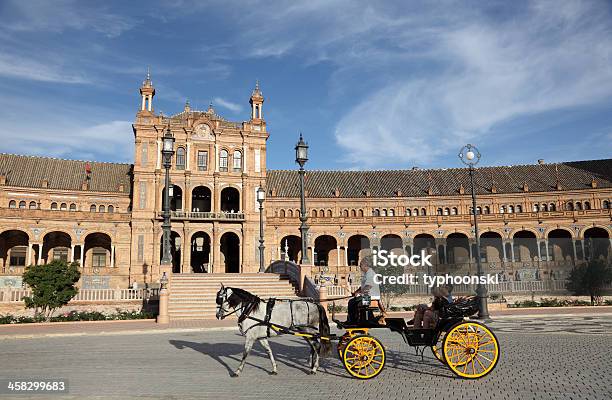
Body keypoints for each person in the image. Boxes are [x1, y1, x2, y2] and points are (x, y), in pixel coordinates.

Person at [346, 255, 380, 324]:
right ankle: (356, 319)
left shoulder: (370, 274)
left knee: (351, 302)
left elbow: (368, 286)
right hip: (369, 295)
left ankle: (352, 321)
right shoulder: (367, 273)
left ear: (365, 265)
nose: (360, 267)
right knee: (353, 301)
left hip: (370, 296)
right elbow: (363, 286)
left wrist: (358, 293)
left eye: (360, 266)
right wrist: (356, 292)